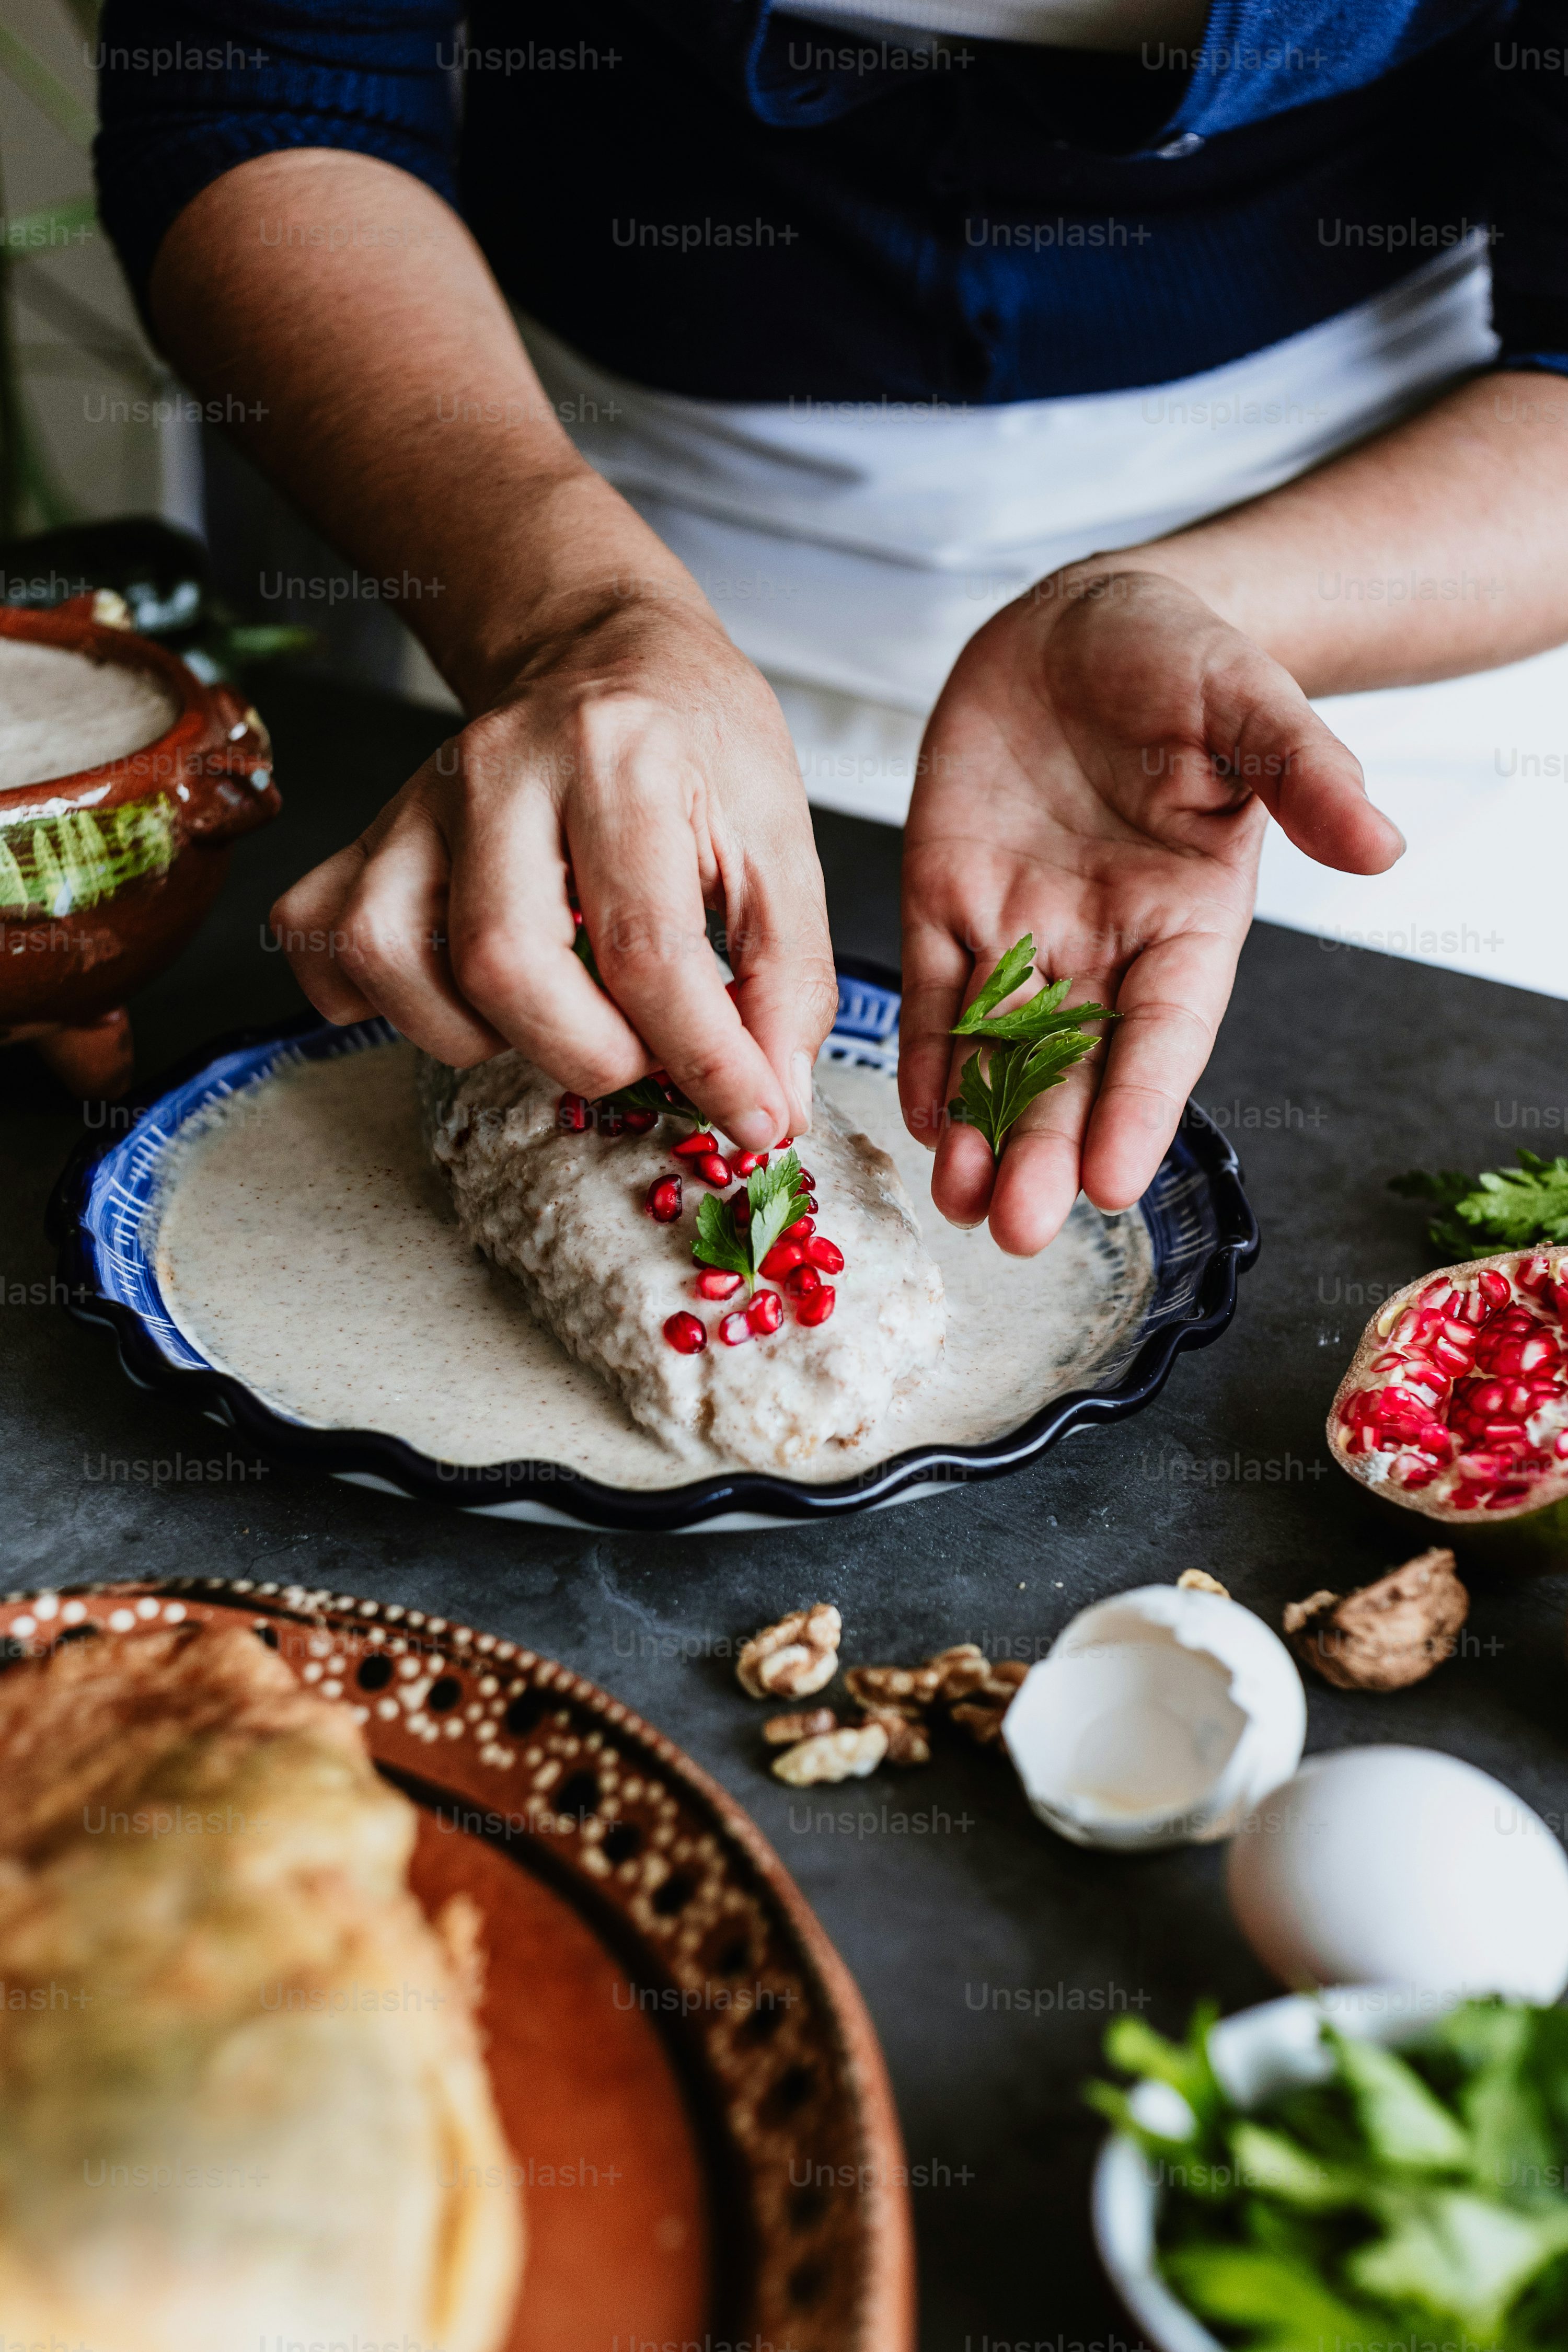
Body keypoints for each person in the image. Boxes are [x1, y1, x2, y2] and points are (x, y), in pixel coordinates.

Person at [95, 3, 1568, 1253]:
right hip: (554, 496)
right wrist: (574, 617)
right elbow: (260, 82)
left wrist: (1222, 604)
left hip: (1367, 558)